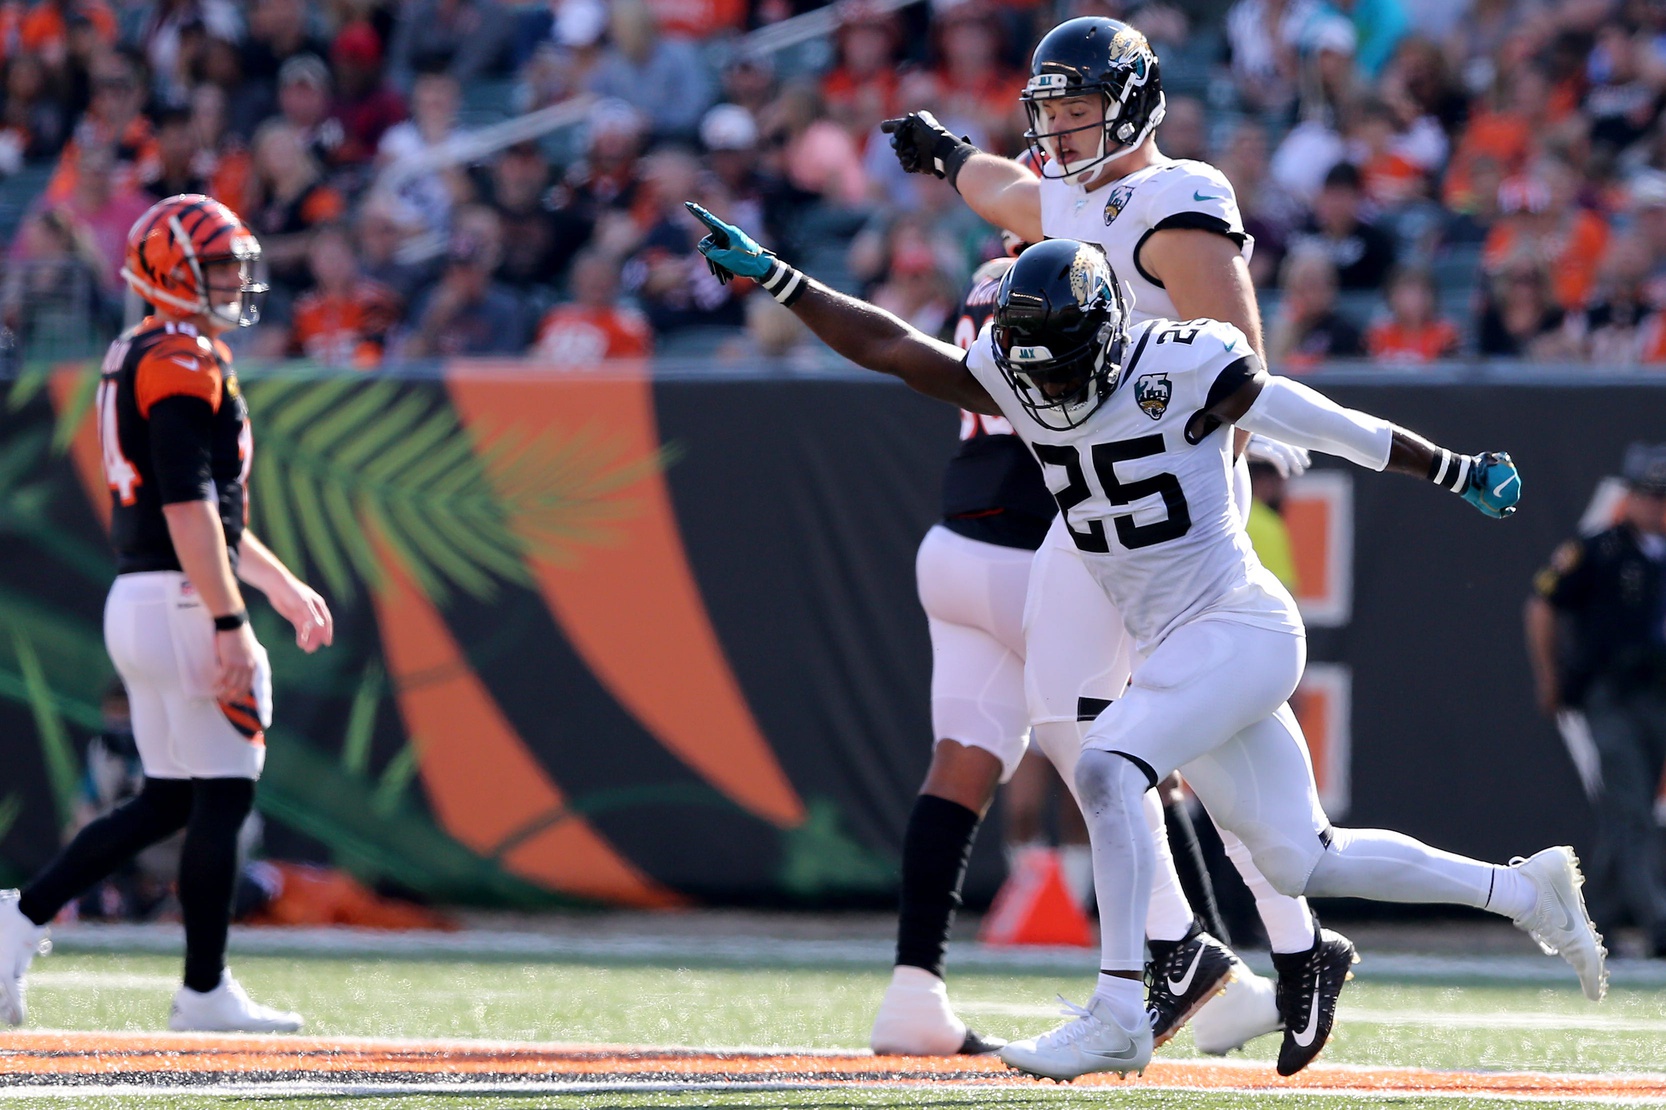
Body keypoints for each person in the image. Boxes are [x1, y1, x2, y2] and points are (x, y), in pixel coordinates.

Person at [689, 214, 1606, 1082]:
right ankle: (1528, 893)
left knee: (1106, 765)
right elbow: (895, 349)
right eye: (1030, 371)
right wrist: (781, 279)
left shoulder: (1186, 363)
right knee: (1303, 859)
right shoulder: (1021, 369)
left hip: (1239, 626)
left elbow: (1312, 417)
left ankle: (1122, 1010)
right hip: (1176, 645)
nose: (1042, 389)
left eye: (1058, 367)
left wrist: (1450, 467)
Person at [879, 16, 1332, 1070]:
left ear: (1129, 106)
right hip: (1099, 510)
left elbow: (1235, 367)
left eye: (1078, 111)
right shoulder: (1073, 192)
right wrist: (948, 155)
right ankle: (1173, 959)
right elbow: (1009, 193)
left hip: (1167, 519)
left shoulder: (1178, 200)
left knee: (1204, 757)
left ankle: (1257, 950)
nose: (1060, 131)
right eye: (1050, 112)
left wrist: (1212, 468)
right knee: (1069, 718)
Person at [0, 193, 335, 1033]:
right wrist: (228, 622)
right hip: (184, 599)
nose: (232, 281)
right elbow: (188, 508)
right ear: (170, 273)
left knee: (169, 801)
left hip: (144, 597)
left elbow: (204, 515)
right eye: (217, 266)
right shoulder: (182, 356)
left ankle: (16, 920)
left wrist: (278, 585)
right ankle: (204, 990)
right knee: (222, 794)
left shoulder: (142, 349)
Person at [1526, 444, 1666, 960]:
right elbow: (1543, 603)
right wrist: (1549, 676)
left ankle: (1596, 919)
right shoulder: (1599, 549)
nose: (1658, 508)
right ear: (1630, 498)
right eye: (1650, 497)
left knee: (1627, 810)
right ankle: (1659, 920)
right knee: (1632, 806)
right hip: (1610, 692)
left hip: (1659, 692)